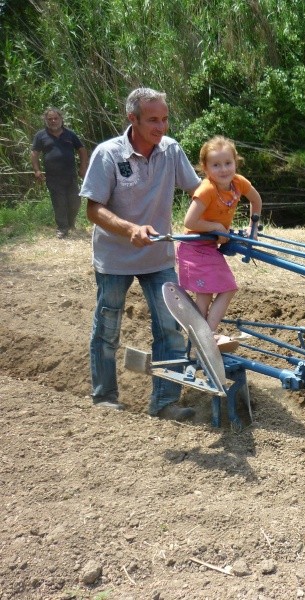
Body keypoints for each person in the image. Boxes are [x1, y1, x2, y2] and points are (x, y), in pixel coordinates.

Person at [80, 87, 202, 421]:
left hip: (158, 257)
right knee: (107, 327)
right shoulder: (108, 155)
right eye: (153, 120)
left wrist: (225, 196)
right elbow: (93, 209)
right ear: (132, 119)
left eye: (164, 119)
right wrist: (129, 229)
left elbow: (198, 191)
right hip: (115, 258)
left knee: (170, 327)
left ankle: (164, 402)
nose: (161, 126)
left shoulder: (171, 151)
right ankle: (105, 396)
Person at [176, 136, 262, 350]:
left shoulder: (238, 183)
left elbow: (256, 200)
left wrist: (253, 227)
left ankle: (202, 338)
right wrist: (216, 228)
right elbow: (190, 221)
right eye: (216, 165)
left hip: (209, 247)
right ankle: (205, 338)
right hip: (194, 248)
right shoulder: (207, 190)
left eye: (228, 163)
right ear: (205, 168)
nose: (223, 169)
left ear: (235, 162)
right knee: (215, 292)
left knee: (221, 290)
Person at [31, 107, 89, 238]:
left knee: (75, 201)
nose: (53, 121)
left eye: (56, 118)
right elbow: (34, 154)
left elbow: (82, 150)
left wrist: (83, 167)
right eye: (50, 119)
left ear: (61, 119)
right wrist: (37, 170)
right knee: (59, 203)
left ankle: (70, 223)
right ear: (46, 120)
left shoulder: (70, 134)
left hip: (71, 176)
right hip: (53, 177)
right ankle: (62, 228)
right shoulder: (41, 136)